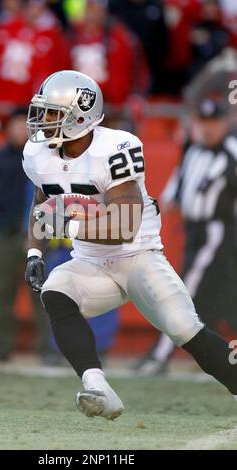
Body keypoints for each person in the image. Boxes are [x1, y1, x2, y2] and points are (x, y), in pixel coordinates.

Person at [22, 70, 237, 420]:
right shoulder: (38, 153)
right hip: (90, 262)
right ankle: (98, 387)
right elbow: (42, 199)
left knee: (185, 330)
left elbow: (123, 227)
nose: (42, 122)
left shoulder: (116, 148)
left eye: (52, 113)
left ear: (81, 114)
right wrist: (35, 251)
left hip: (137, 257)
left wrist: (69, 222)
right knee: (56, 292)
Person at [133, 97, 237, 376]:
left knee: (184, 291)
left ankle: (159, 356)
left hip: (218, 230)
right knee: (223, 298)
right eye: (203, 122)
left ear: (225, 123)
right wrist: (170, 198)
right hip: (194, 230)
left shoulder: (232, 151)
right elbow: (179, 183)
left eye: (214, 122)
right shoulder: (193, 150)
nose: (208, 129)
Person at [0, 107, 52, 362]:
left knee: (44, 294)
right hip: (5, 234)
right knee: (1, 294)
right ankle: (0, 346)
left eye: (24, 126)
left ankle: (48, 349)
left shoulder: (44, 159)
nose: (19, 130)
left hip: (37, 235)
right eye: (15, 125)